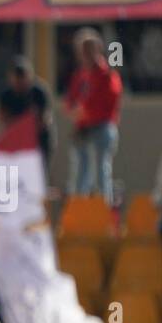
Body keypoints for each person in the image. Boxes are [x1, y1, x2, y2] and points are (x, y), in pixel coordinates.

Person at [64, 27, 122, 201]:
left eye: (89, 49)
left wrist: (85, 112)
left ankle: (104, 208)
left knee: (101, 171)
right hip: (83, 129)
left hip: (101, 127)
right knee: (80, 171)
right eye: (82, 50)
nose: (85, 54)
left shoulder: (106, 74)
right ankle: (79, 209)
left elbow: (108, 101)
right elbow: (71, 100)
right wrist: (75, 113)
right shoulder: (80, 75)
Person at [0, 57, 53, 168]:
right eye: (16, 78)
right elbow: (4, 118)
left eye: (22, 77)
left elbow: (45, 120)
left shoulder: (39, 92)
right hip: (15, 138)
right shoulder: (6, 94)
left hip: (38, 138)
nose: (19, 82)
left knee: (39, 172)